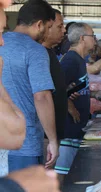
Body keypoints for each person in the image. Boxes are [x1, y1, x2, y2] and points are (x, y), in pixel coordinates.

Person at [0, 2, 60, 192]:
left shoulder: (2, 43)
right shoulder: (35, 51)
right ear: (39, 24)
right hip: (24, 145)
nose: (48, 33)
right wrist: (52, 140)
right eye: (49, 27)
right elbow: (41, 96)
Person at [56, 23, 101, 179]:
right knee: (62, 174)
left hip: (78, 126)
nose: (95, 39)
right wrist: (70, 107)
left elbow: (75, 87)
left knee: (72, 172)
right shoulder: (70, 60)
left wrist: (94, 94)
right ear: (82, 38)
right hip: (68, 128)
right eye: (92, 35)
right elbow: (56, 89)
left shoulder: (80, 60)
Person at [42, 9, 67, 142]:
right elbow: (41, 96)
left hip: (53, 133)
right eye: (60, 26)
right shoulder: (39, 55)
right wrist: (50, 139)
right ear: (46, 26)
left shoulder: (50, 53)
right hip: (44, 136)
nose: (64, 30)